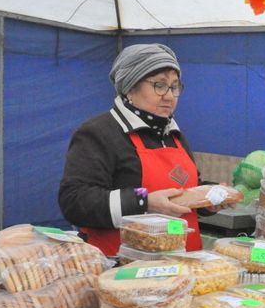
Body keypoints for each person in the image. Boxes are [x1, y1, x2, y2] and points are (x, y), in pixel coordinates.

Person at [59, 43, 220, 255]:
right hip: (123, 267)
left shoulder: (173, 134)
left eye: (174, 86)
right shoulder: (99, 132)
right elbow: (75, 201)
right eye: (159, 85)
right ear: (130, 88)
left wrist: (209, 198)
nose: (170, 96)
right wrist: (143, 202)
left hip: (184, 266)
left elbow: (184, 188)